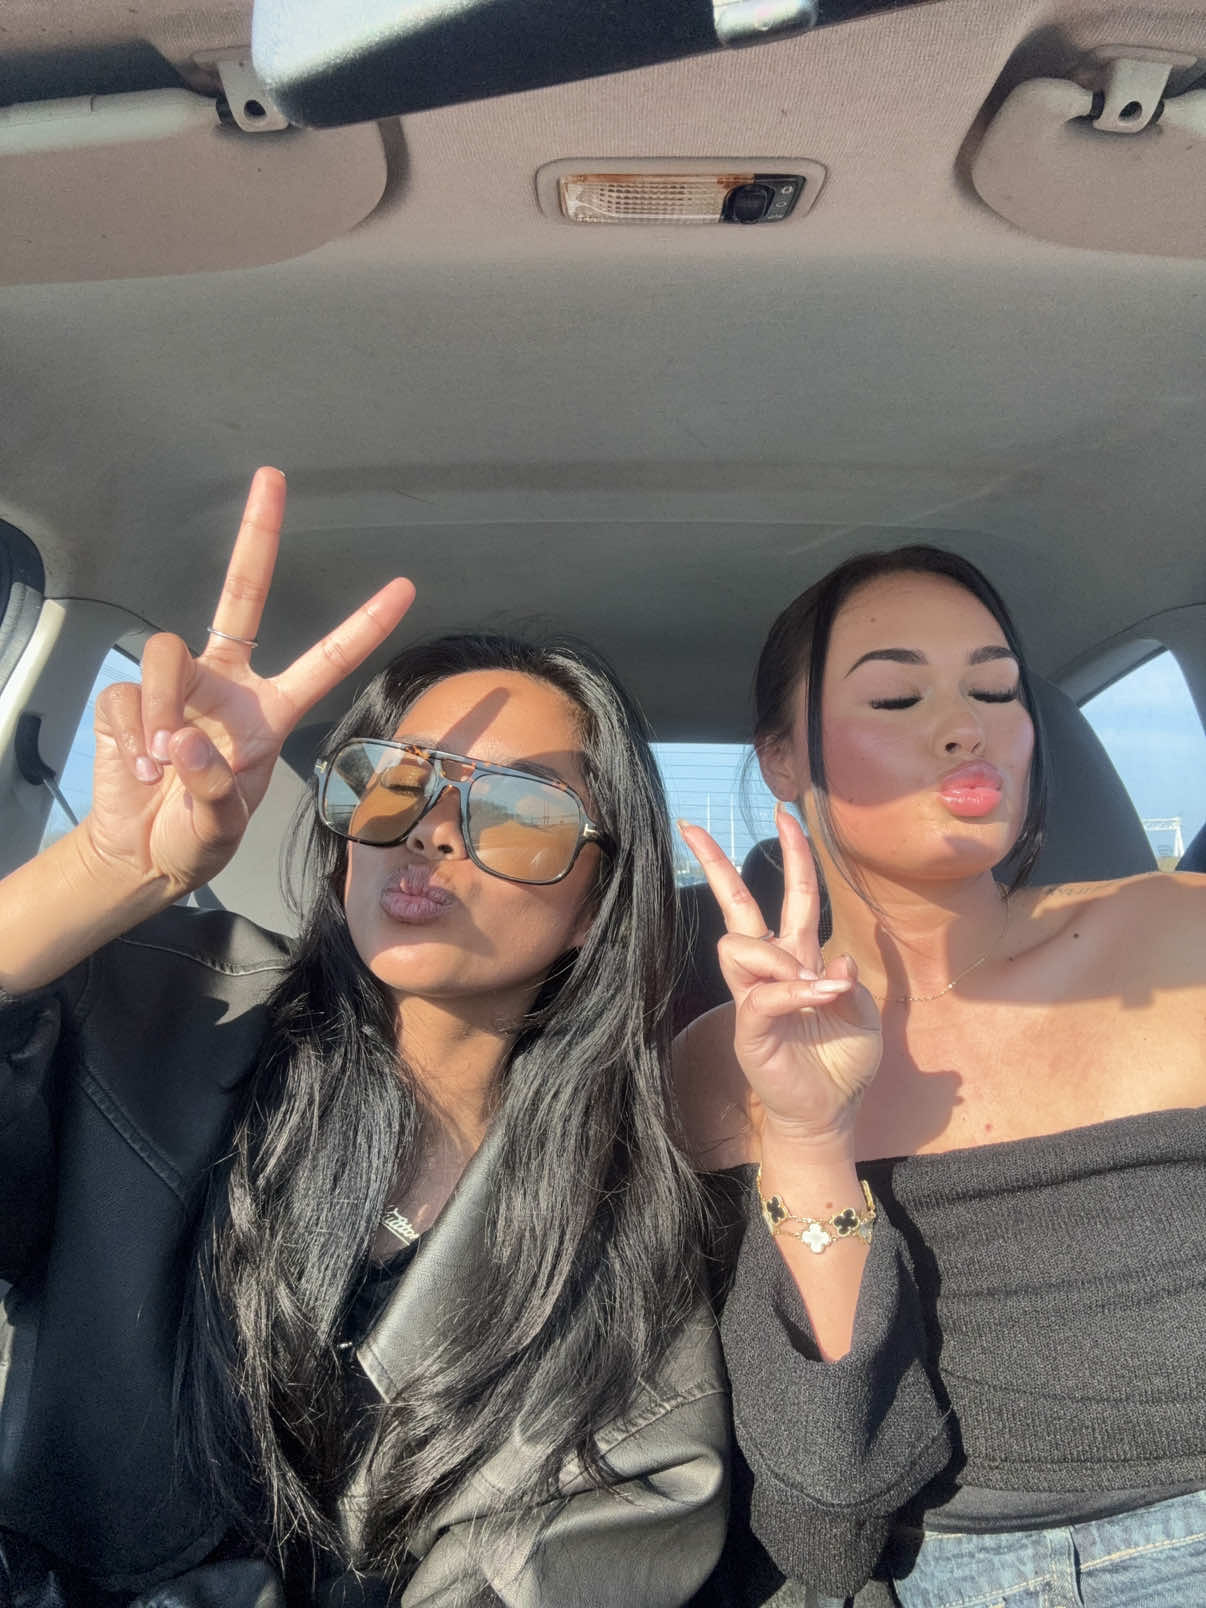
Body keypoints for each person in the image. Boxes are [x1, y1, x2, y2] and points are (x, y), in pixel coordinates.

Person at [0, 468, 727, 1607]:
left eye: (520, 809)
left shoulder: (628, 1229)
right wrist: (103, 870)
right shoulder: (158, 1012)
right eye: (391, 783)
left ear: (597, 902)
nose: (430, 829)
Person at [675, 546, 1206, 1607]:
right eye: (896, 696)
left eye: (997, 691)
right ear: (782, 760)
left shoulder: (1180, 934)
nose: (967, 727)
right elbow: (825, 1515)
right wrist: (809, 1137)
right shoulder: (716, 1065)